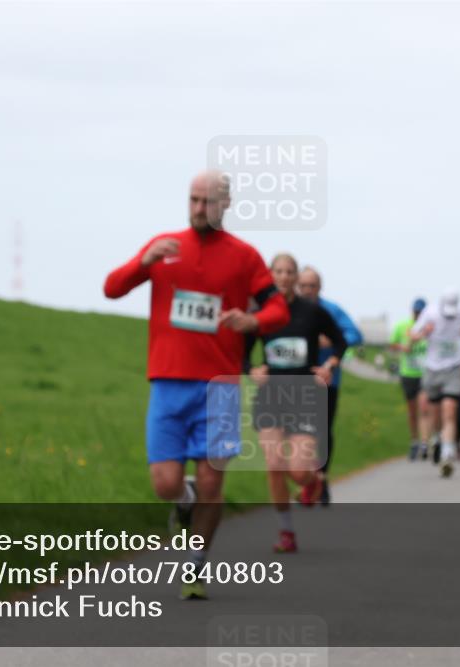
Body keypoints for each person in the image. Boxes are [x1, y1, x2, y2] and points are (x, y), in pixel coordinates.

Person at [103, 170, 290, 599]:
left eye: (207, 202)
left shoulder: (245, 256)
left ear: (226, 204)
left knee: (212, 482)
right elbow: (112, 288)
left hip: (220, 386)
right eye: (193, 200)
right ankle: (181, 499)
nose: (199, 209)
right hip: (168, 382)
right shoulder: (165, 248)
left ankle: (195, 567)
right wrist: (144, 261)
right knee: (165, 483)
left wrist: (253, 321)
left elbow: (278, 307)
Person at [246, 254, 347, 552]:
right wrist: (251, 369)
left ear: (295, 277)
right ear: (271, 275)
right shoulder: (262, 312)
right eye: (279, 271)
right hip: (270, 397)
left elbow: (341, 340)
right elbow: (241, 350)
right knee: (274, 465)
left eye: (290, 272)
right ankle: (286, 532)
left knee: (299, 472)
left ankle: (312, 480)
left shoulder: (312, 312)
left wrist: (329, 365)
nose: (285, 277)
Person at [297, 266, 363, 506]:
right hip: (296, 379)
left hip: (328, 380)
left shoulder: (331, 310)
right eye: (302, 286)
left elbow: (354, 335)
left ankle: (321, 480)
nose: (306, 291)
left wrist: (328, 340)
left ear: (319, 287)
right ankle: (307, 480)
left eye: (311, 286)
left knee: (322, 430)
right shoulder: (291, 309)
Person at [408, 289, 460, 478]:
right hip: (433, 369)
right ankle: (437, 439)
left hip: (454, 368)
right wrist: (424, 332)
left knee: (450, 410)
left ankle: (447, 454)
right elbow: (412, 336)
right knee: (435, 414)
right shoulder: (429, 313)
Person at [389, 298, 428, 461]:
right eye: (416, 312)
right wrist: (403, 347)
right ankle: (414, 441)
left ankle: (425, 444)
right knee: (412, 411)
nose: (418, 315)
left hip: (425, 374)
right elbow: (392, 344)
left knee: (424, 409)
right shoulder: (402, 326)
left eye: (421, 312)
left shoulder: (430, 328)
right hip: (408, 373)